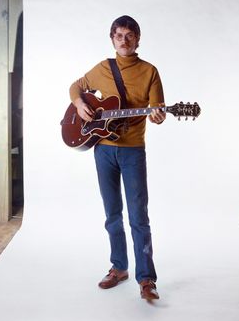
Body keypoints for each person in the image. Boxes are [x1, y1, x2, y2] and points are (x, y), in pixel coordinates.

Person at [69, 15, 165, 300]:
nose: (124, 41)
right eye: (119, 35)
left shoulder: (150, 72)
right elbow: (76, 86)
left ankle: (146, 279)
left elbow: (157, 109)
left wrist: (158, 115)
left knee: (138, 217)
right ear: (113, 38)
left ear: (138, 39)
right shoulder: (102, 68)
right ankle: (119, 267)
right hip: (103, 150)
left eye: (129, 35)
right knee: (112, 214)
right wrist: (79, 103)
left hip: (133, 150)